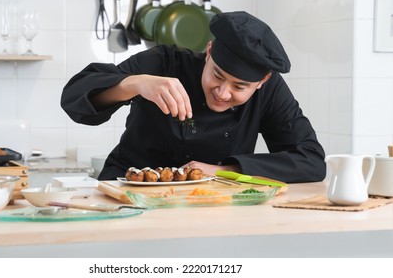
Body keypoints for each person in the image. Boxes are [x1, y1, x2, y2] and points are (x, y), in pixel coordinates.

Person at [61, 11, 326, 183]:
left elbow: (311, 161)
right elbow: (74, 99)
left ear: (262, 81)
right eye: (217, 76)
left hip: (211, 202)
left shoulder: (270, 90)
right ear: (209, 52)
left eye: (240, 86)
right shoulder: (164, 62)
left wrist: (224, 171)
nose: (223, 93)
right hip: (128, 192)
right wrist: (134, 84)